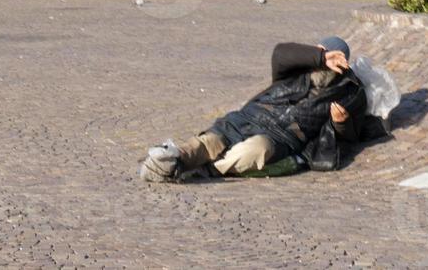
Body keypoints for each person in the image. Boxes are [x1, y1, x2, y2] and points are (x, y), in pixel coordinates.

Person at [140, 36, 367, 182]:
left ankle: (202, 170)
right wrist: (318, 57)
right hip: (249, 116)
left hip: (282, 137)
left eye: (332, 58)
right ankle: (168, 160)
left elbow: (352, 136)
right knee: (210, 142)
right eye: (322, 54)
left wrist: (342, 122)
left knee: (253, 151)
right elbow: (280, 51)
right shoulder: (293, 70)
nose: (327, 63)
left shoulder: (349, 92)